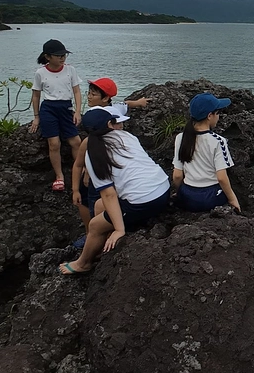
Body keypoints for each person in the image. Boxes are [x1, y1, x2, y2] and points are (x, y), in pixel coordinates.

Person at [59, 108, 170, 275]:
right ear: (110, 124)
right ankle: (103, 247)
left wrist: (120, 229)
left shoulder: (94, 156)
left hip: (144, 201)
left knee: (95, 225)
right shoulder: (127, 136)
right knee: (99, 205)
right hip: (164, 188)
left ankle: (83, 263)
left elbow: (109, 194)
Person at [70, 77, 149, 248]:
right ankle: (92, 234)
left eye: (93, 94)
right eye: (88, 93)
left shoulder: (110, 112)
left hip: (111, 170)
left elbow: (125, 104)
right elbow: (81, 160)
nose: (89, 97)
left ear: (105, 98)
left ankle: (99, 233)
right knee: (94, 203)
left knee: (100, 201)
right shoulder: (94, 126)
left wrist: (140, 102)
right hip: (100, 168)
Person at [172, 93, 240, 213]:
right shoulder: (218, 141)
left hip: (187, 197)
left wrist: (179, 193)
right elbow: (222, 178)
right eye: (218, 113)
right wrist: (233, 200)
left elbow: (177, 175)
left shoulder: (180, 138)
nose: (218, 117)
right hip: (210, 198)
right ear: (210, 115)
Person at [29, 39, 82, 191]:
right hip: (49, 109)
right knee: (54, 144)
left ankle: (81, 170)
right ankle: (59, 176)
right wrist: (37, 116)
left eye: (64, 55)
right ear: (48, 57)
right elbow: (36, 96)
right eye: (58, 55)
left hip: (66, 108)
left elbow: (77, 91)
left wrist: (77, 112)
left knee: (76, 142)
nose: (62, 58)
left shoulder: (70, 70)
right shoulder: (40, 73)